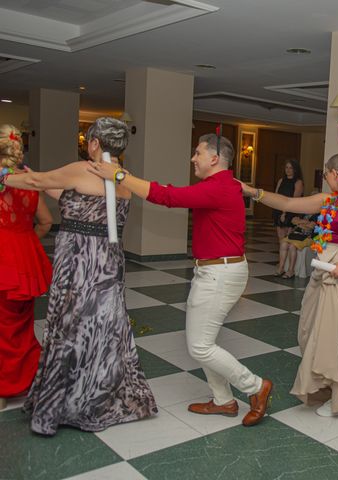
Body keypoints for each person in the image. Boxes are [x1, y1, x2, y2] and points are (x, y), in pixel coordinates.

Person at [88, 133, 272, 427]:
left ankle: (255, 386)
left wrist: (121, 175)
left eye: (197, 152)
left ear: (214, 159)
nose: (193, 158)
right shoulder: (222, 185)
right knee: (204, 342)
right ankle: (223, 401)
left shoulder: (220, 187)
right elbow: (169, 193)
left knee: (199, 346)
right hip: (215, 270)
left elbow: (168, 197)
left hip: (220, 273)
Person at [4, 117, 157, 435]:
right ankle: (97, 398)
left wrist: (6, 175)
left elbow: (36, 185)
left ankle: (64, 405)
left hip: (79, 267)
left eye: (89, 140)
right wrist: (40, 180)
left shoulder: (83, 169)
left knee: (71, 331)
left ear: (96, 143)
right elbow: (76, 201)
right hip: (108, 266)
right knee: (101, 332)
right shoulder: (124, 180)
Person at [242, 153, 338, 420]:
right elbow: (289, 202)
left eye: (326, 174)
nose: (325, 178)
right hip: (324, 270)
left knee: (337, 334)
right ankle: (325, 386)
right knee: (312, 330)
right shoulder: (329, 199)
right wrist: (253, 192)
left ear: (335, 172)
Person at [0, 125, 53, 411]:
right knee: (21, 325)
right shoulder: (29, 181)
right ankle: (30, 379)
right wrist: (24, 240)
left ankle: (3, 389)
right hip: (25, 258)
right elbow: (44, 222)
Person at [273, 160, 304, 276]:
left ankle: (288, 268)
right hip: (279, 211)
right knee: (281, 239)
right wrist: (278, 211)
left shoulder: (298, 182)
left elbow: (294, 200)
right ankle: (282, 265)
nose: (288, 170)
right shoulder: (281, 180)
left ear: (295, 169)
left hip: (290, 213)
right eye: (286, 167)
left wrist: (284, 213)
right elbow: (276, 196)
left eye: (290, 168)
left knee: (288, 238)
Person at [279, 214, 316, 278]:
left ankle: (291, 270)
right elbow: (293, 221)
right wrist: (305, 223)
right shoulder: (302, 212)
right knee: (283, 244)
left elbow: (311, 226)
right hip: (296, 235)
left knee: (292, 246)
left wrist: (299, 223)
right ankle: (281, 268)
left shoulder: (317, 215)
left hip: (308, 237)